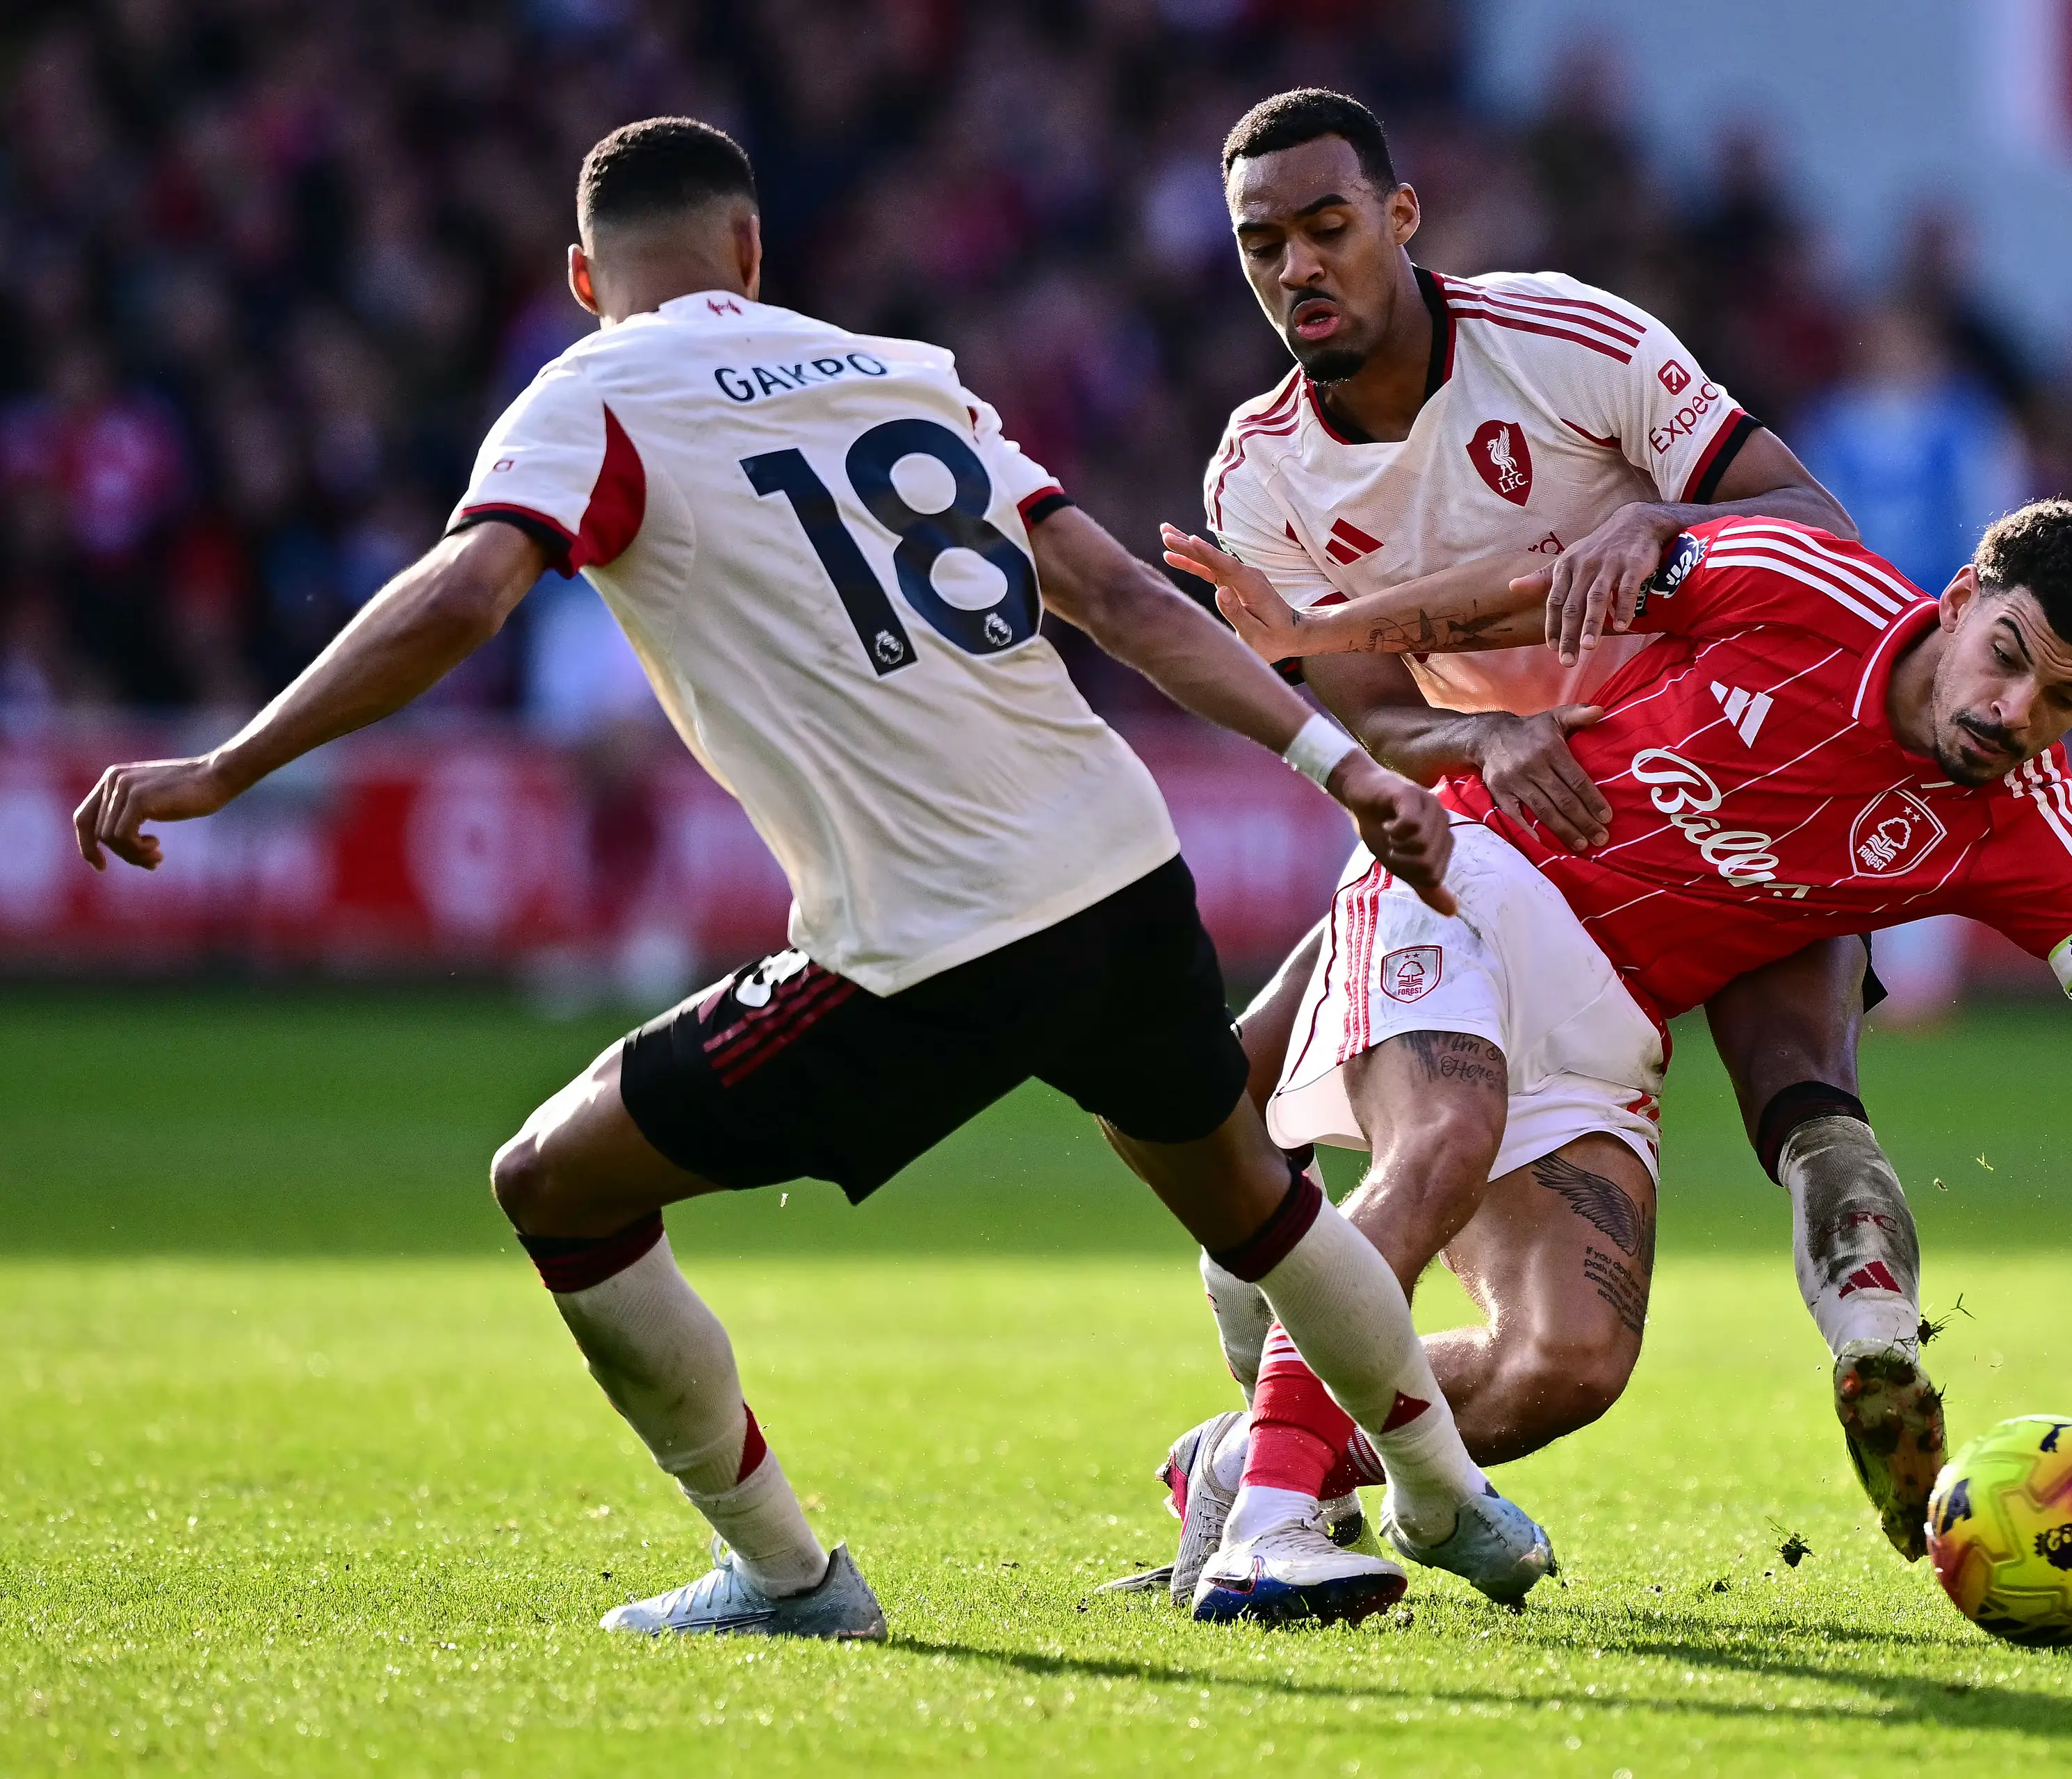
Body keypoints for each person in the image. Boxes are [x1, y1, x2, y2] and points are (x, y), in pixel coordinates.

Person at [69, 116, 1558, 1638]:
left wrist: (230, 763)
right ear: (752, 254)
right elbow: (1114, 594)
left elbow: (466, 591)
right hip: (1117, 867)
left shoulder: (592, 393)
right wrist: (1345, 765)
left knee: (554, 1182)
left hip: (932, 932)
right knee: (1252, 1197)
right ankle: (1449, 1496)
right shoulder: (899, 367)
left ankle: (787, 1574)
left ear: (587, 276)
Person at [1174, 497, 2072, 1578]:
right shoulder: (1802, 584)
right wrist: (1317, 631)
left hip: (1608, 1021)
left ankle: (1252, 1451)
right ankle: (1269, 1537)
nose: (2013, 714)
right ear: (1965, 595)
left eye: (2069, 699)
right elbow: (1537, 583)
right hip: (1473, 877)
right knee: (1442, 1142)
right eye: (2010, 658)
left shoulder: (2028, 825)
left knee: (1567, 1367)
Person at [1160, 88, 1946, 1621]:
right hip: (1506, 844)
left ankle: (1874, 1336)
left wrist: (1660, 521)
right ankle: (1270, 1462)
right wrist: (1481, 743)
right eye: (1263, 245)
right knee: (1374, 1127)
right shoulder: (1258, 480)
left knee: (1781, 1112)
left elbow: (1815, 526)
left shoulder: (1570, 338)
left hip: (1722, 780)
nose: (1298, 266)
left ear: (1403, 219)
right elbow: (1375, 718)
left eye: (1327, 226)